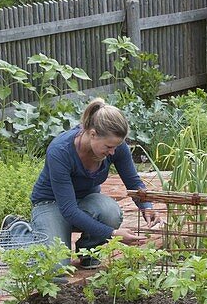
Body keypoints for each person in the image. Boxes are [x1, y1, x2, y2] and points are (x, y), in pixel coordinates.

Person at [30, 98, 159, 269]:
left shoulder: (116, 146)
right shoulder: (60, 151)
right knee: (55, 269)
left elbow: (133, 182)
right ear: (92, 134)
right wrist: (112, 234)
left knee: (110, 211)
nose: (113, 152)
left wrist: (146, 206)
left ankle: (87, 251)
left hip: (85, 201)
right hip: (50, 203)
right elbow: (69, 210)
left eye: (116, 147)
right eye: (108, 147)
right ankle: (24, 232)